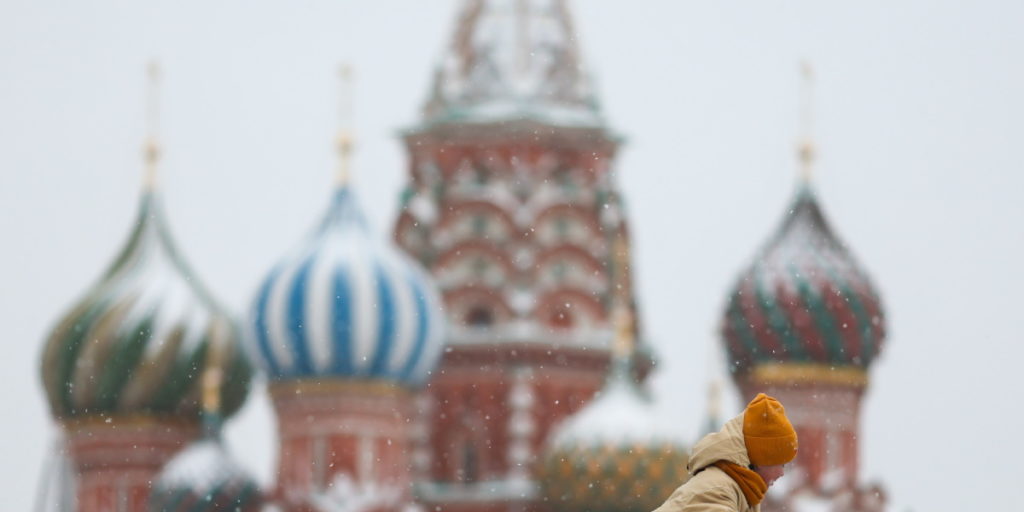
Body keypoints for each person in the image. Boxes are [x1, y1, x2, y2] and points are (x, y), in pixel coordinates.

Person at [653, 393, 798, 512]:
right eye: (781, 464)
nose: (781, 473)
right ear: (762, 459)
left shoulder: (739, 489)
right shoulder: (719, 489)